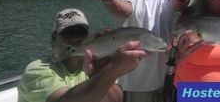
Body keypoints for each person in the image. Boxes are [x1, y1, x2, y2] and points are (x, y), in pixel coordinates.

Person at [92, 0, 191, 102]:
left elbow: (178, 6)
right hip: (136, 84)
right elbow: (122, 8)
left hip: (172, 81)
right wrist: (108, 1)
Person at [17, 8, 147, 102]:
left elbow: (116, 99)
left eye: (81, 32)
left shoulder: (91, 66)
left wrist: (100, 72)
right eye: (69, 33)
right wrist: (113, 70)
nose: (76, 39)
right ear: (54, 38)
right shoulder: (37, 70)